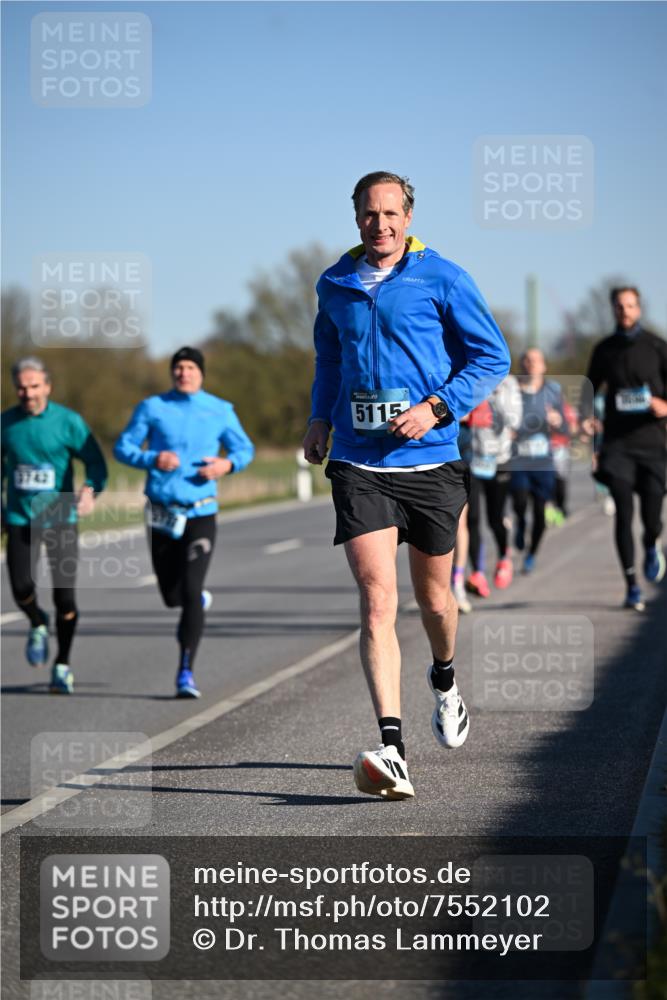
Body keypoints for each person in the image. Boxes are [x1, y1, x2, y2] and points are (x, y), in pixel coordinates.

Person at [303, 172, 510, 800]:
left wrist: (437, 408)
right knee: (376, 601)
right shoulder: (334, 283)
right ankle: (393, 751)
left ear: (408, 215)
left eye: (391, 214)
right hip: (361, 462)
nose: (381, 225)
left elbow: (490, 356)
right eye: (370, 214)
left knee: (436, 603)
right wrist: (319, 415)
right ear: (356, 216)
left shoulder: (442, 276)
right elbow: (330, 358)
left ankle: (444, 678)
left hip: (430, 462)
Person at [114, 346, 254, 696]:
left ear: (200, 372)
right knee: (171, 596)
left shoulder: (220, 410)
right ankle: (192, 601)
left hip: (201, 511)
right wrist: (151, 458)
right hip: (162, 510)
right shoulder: (153, 407)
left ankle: (185, 672)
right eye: (178, 367)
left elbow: (244, 449)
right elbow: (123, 447)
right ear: (172, 372)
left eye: (190, 367)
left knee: (191, 592)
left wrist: (226, 465)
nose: (184, 372)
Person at [1, 356, 107, 693]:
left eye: (34, 386)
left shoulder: (68, 422)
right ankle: (37, 621)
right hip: (21, 518)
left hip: (61, 519)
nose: (28, 393)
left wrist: (91, 490)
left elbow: (96, 463)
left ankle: (62, 664)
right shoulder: (6, 423)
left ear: (47, 386)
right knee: (20, 590)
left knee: (65, 599)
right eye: (21, 386)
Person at [583, 287, 667, 610]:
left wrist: (663, 404)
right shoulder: (605, 349)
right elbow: (588, 390)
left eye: (630, 306)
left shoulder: (657, 346)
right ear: (613, 309)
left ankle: (651, 544)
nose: (625, 311)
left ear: (639, 309)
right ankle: (632, 585)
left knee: (651, 518)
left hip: (652, 444)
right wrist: (587, 420)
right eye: (619, 306)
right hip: (618, 446)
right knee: (623, 513)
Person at [464, 375, 522, 595]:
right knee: (472, 518)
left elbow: (514, 420)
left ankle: (503, 558)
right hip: (473, 459)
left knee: (495, 518)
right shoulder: (469, 376)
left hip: (500, 459)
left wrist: (492, 396)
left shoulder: (509, 384)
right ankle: (478, 572)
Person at [510, 349, 566, 574]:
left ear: (544, 366)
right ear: (522, 364)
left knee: (541, 513)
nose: (531, 364)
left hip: (543, 461)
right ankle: (521, 524)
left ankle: (532, 554)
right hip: (518, 459)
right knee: (520, 502)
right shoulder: (512, 390)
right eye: (527, 360)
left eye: (536, 361)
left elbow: (564, 427)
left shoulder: (553, 391)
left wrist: (558, 420)